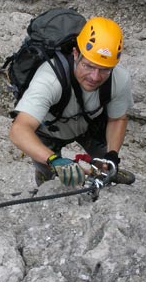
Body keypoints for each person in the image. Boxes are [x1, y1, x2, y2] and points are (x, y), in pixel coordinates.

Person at [9, 16, 135, 187]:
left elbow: (117, 119)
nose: (95, 77)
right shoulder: (50, 79)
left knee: (105, 166)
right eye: (88, 66)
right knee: (49, 176)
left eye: (104, 70)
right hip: (48, 131)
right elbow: (19, 129)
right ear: (76, 54)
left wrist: (112, 154)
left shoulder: (119, 78)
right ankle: (45, 178)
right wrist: (53, 160)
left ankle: (101, 174)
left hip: (88, 125)